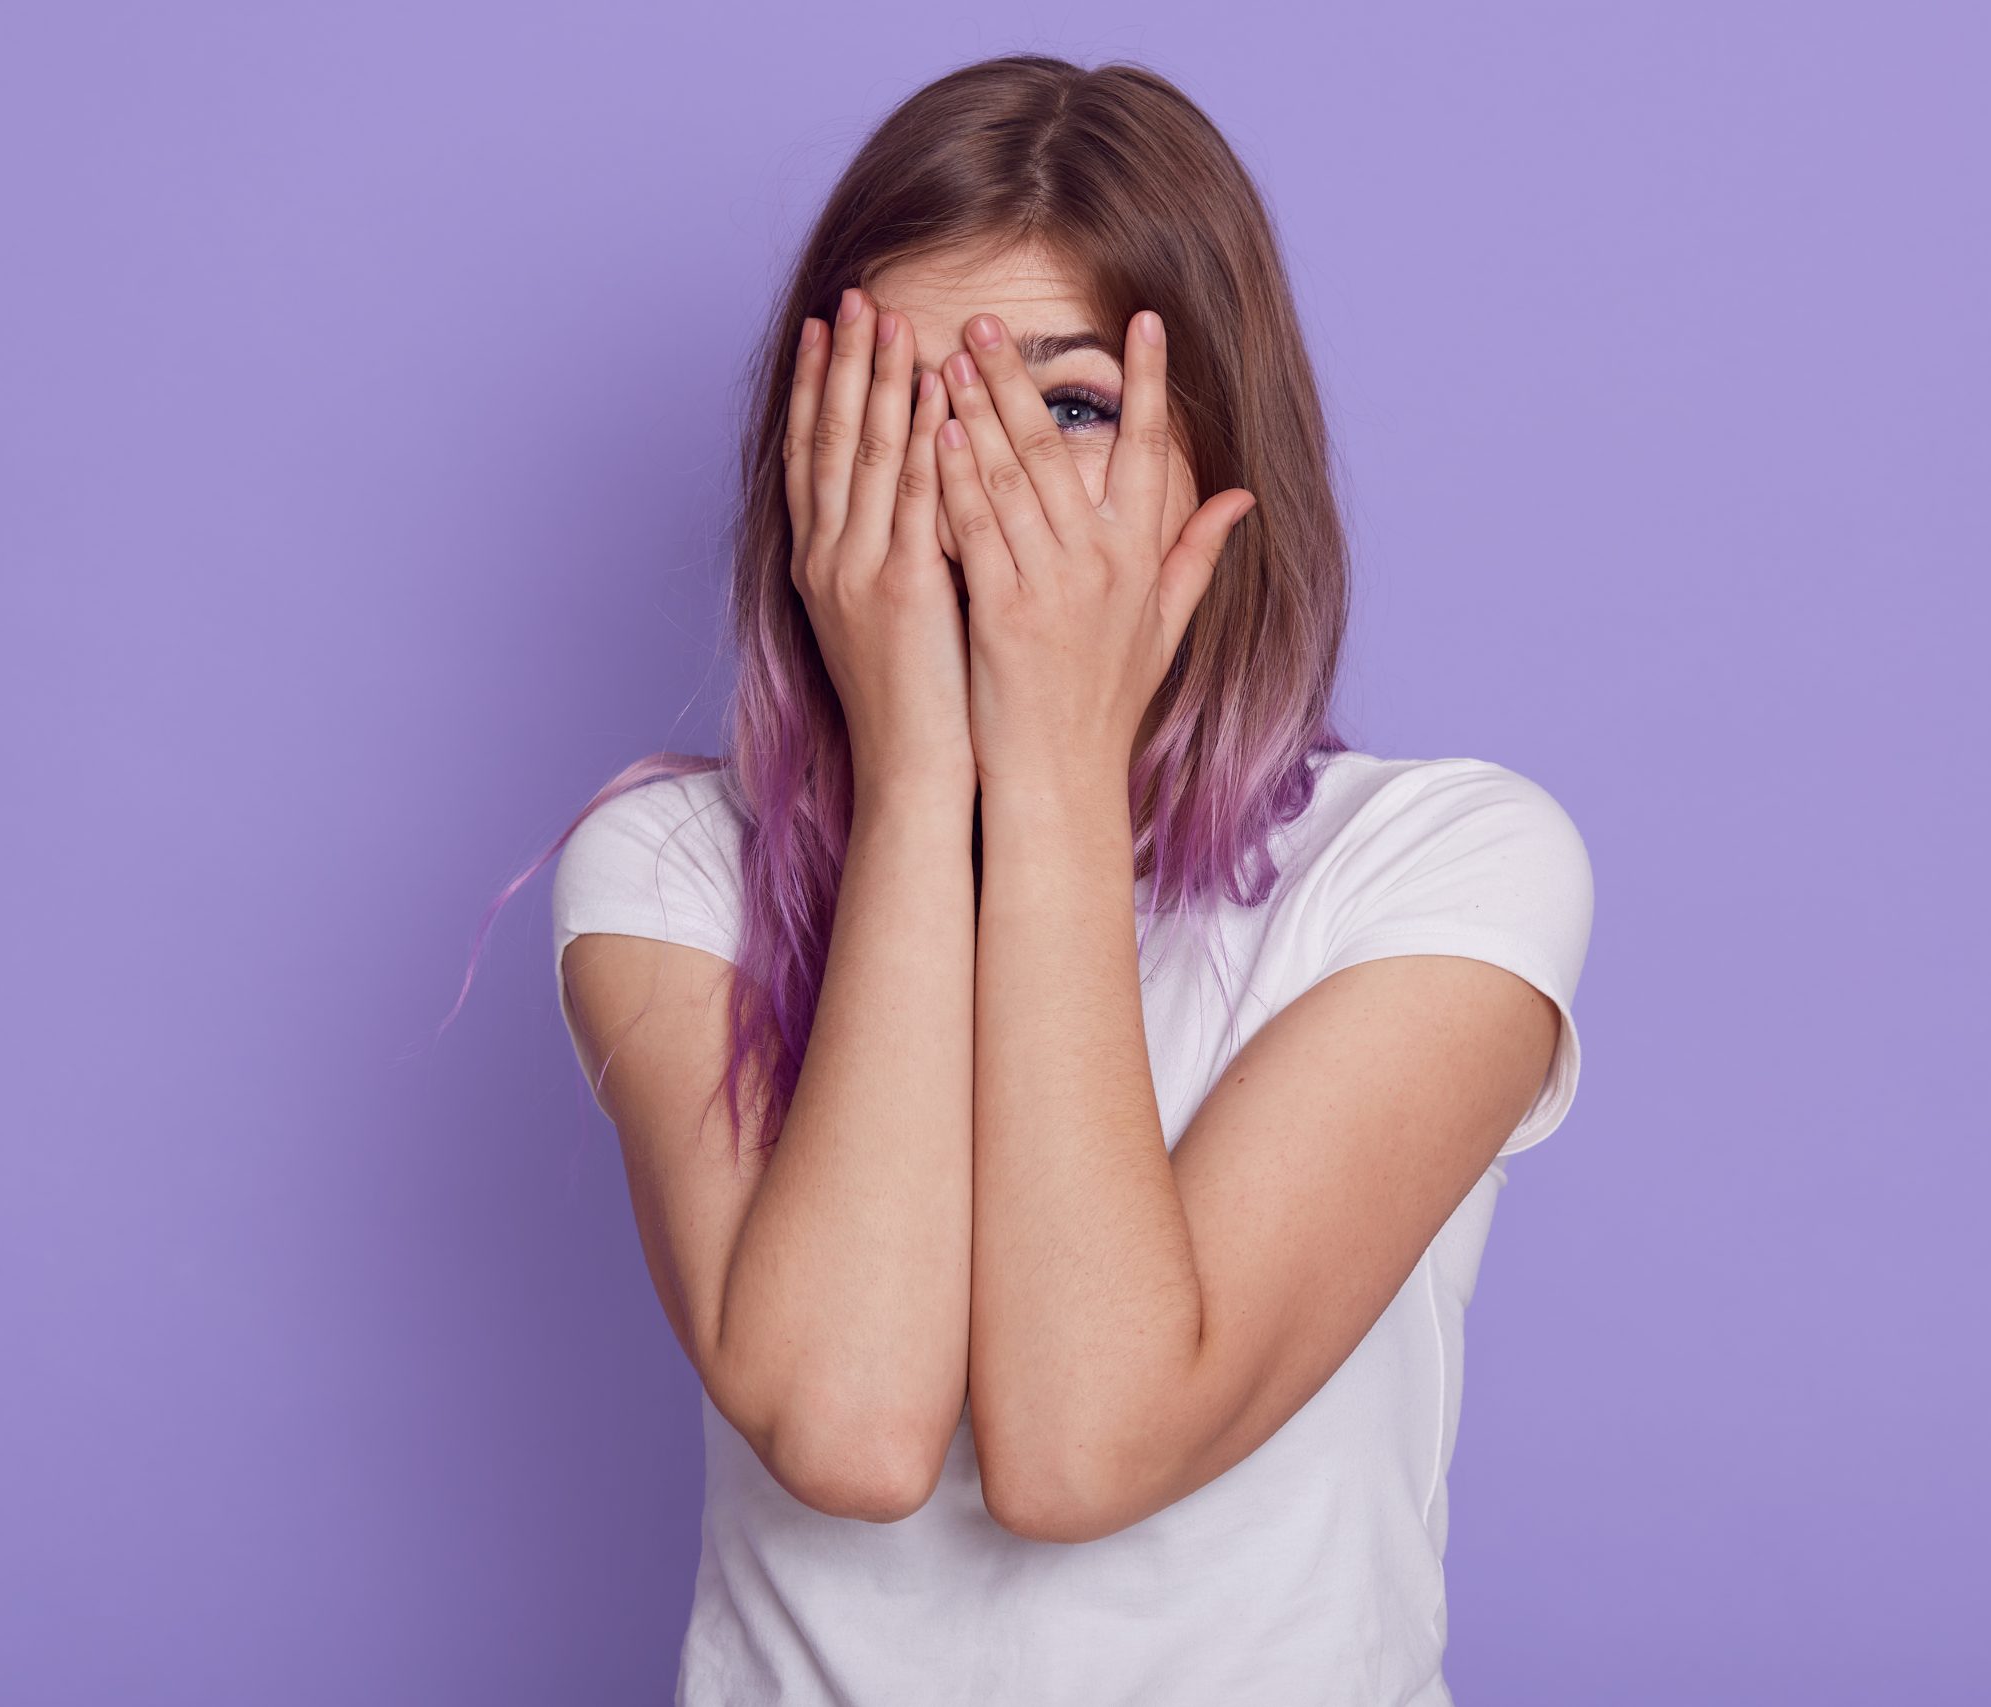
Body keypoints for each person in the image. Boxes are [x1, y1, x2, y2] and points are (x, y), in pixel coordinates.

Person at [527, 53, 1594, 1706]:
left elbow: (1086, 1447)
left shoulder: (1438, 865)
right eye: (907, 412)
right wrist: (921, 782)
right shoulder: (671, 870)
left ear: (1224, 466)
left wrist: (1048, 784)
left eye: (1074, 405)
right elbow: (851, 1427)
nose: (980, 487)